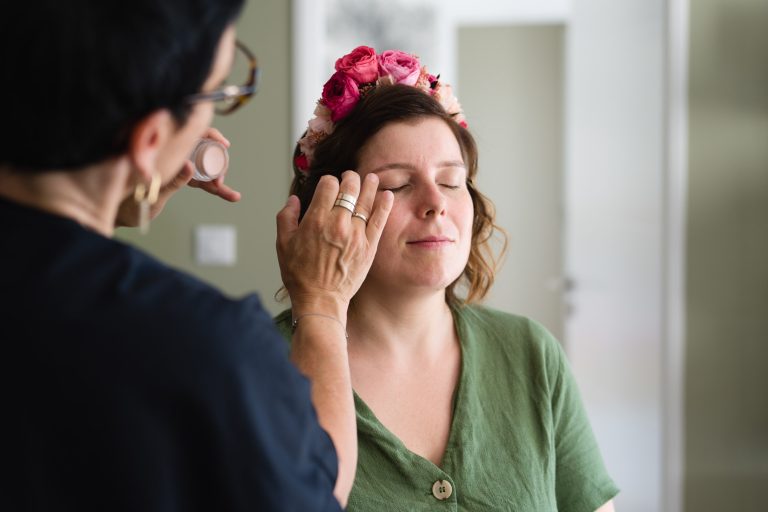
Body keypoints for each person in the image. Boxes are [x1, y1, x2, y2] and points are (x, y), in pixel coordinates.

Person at [0, 3, 393, 510]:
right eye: (218, 95)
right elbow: (315, 486)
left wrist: (112, 193)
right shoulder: (205, 344)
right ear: (150, 140)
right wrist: (321, 301)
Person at [276, 46, 619, 511]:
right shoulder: (258, 364)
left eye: (452, 180)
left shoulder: (530, 353)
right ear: (332, 210)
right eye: (398, 184)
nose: (435, 202)